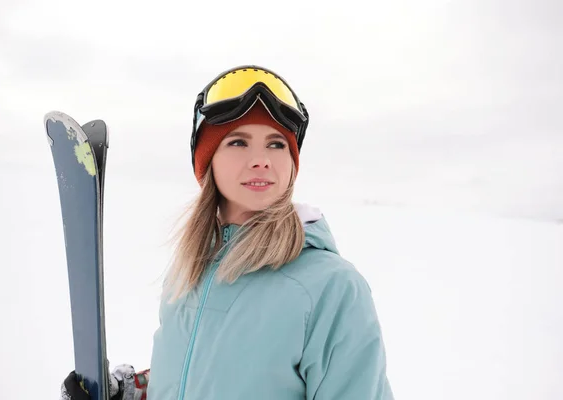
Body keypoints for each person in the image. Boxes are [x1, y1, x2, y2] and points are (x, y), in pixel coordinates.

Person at [60, 65, 394, 400]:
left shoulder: (333, 289)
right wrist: (134, 393)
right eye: (238, 142)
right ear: (208, 164)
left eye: (277, 144)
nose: (261, 159)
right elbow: (199, 376)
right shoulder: (189, 270)